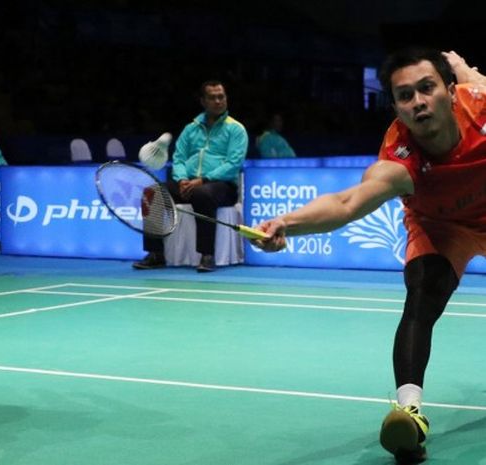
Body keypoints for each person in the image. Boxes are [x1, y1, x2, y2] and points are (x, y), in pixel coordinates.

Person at [252, 48, 486, 463]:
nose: (418, 102)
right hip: (441, 226)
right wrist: (286, 222)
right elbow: (346, 203)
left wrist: (470, 73)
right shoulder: (400, 159)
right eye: (405, 95)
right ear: (395, 106)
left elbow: (474, 83)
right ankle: (408, 412)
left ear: (450, 92)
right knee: (422, 295)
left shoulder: (481, 108)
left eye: (427, 88)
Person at [133, 80, 248, 272]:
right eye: (212, 97)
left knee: (203, 194)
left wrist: (203, 180)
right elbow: (178, 158)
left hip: (222, 186)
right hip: (188, 183)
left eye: (222, 97)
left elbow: (233, 164)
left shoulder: (236, 129)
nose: (218, 101)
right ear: (203, 101)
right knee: (152, 193)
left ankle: (207, 255)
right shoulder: (190, 129)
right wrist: (182, 180)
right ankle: (155, 253)